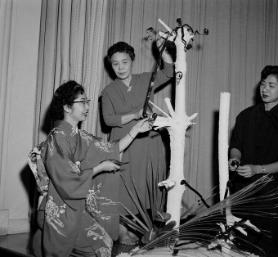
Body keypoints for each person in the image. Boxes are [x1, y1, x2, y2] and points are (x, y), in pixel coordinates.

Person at [30, 80, 152, 257]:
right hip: (59, 208)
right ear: (66, 107)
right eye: (82, 102)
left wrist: (136, 130)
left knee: (104, 242)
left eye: (88, 101)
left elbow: (111, 148)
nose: (87, 106)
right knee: (98, 245)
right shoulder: (57, 138)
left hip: (75, 206)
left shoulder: (82, 137)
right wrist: (99, 168)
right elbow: (67, 180)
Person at [228, 65, 278, 257]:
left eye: (271, 85)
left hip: (269, 193)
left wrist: (257, 169)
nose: (265, 89)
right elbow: (236, 145)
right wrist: (235, 158)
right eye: (263, 84)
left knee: (267, 246)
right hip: (243, 189)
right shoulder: (246, 116)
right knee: (240, 241)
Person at [101, 41, 174, 221]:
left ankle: (152, 223)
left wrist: (163, 52)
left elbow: (169, 72)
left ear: (132, 61)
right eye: (115, 63)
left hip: (149, 141)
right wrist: (134, 115)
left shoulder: (144, 79)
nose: (120, 67)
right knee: (125, 185)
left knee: (150, 182)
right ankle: (125, 226)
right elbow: (109, 120)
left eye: (124, 62)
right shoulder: (108, 91)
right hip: (126, 142)